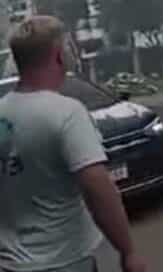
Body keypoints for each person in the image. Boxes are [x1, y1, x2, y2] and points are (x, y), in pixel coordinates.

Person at [0, 16, 147, 272]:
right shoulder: (67, 113)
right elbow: (98, 190)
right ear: (58, 55)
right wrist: (128, 251)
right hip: (64, 262)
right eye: (68, 47)